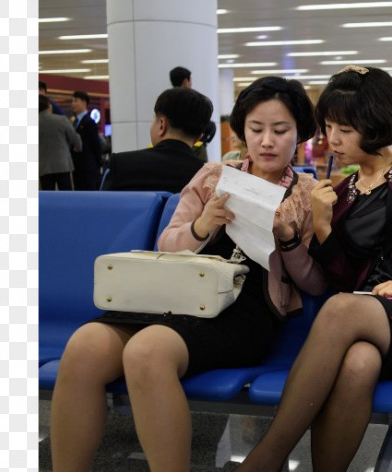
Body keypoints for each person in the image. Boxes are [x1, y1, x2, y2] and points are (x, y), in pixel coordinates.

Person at [49, 76, 327, 471]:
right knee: (84, 347)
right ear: (240, 131)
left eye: (280, 131)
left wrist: (288, 241)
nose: (267, 141)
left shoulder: (307, 194)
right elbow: (167, 244)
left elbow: (316, 282)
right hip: (176, 293)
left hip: (245, 310)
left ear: (298, 133)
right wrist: (202, 226)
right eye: (255, 129)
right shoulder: (211, 176)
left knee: (148, 351)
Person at [237, 66, 392, 472]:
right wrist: (324, 226)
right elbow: (343, 277)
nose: (332, 139)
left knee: (341, 307)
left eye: (345, 129)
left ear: (375, 124)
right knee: (358, 363)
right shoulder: (341, 191)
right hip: (366, 322)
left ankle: (266, 458)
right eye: (329, 126)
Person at [101, 87, 213, 193]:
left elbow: (101, 208)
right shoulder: (208, 176)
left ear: (162, 125)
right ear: (199, 137)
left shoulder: (121, 164)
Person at [170, 65, 214, 162]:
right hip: (193, 146)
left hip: (172, 149)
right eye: (190, 81)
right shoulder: (191, 99)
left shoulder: (167, 100)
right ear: (186, 81)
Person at [39, 94, 81, 190]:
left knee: (48, 197)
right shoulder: (61, 120)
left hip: (43, 167)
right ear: (49, 106)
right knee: (66, 196)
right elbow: (75, 139)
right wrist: (78, 147)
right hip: (63, 165)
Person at [70, 91, 103, 190]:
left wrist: (98, 164)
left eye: (76, 101)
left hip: (87, 167)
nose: (73, 104)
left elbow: (95, 145)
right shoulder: (75, 121)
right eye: (72, 101)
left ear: (84, 102)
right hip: (77, 167)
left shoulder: (89, 122)